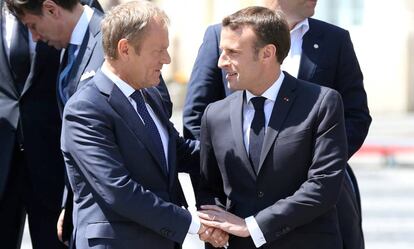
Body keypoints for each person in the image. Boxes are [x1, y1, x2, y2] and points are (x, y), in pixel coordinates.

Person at [184, 1, 371, 248]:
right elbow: (209, 181)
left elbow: (324, 180)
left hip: (307, 233)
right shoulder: (215, 114)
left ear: (268, 54)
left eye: (233, 53)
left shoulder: (323, 99)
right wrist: (215, 224)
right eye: (223, 51)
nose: (222, 62)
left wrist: (321, 157)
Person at [60, 1, 228, 248]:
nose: (168, 59)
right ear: (125, 49)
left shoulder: (150, 96)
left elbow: (177, 152)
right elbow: (119, 190)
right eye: (158, 50)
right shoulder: (85, 109)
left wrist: (242, 152)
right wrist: (195, 225)